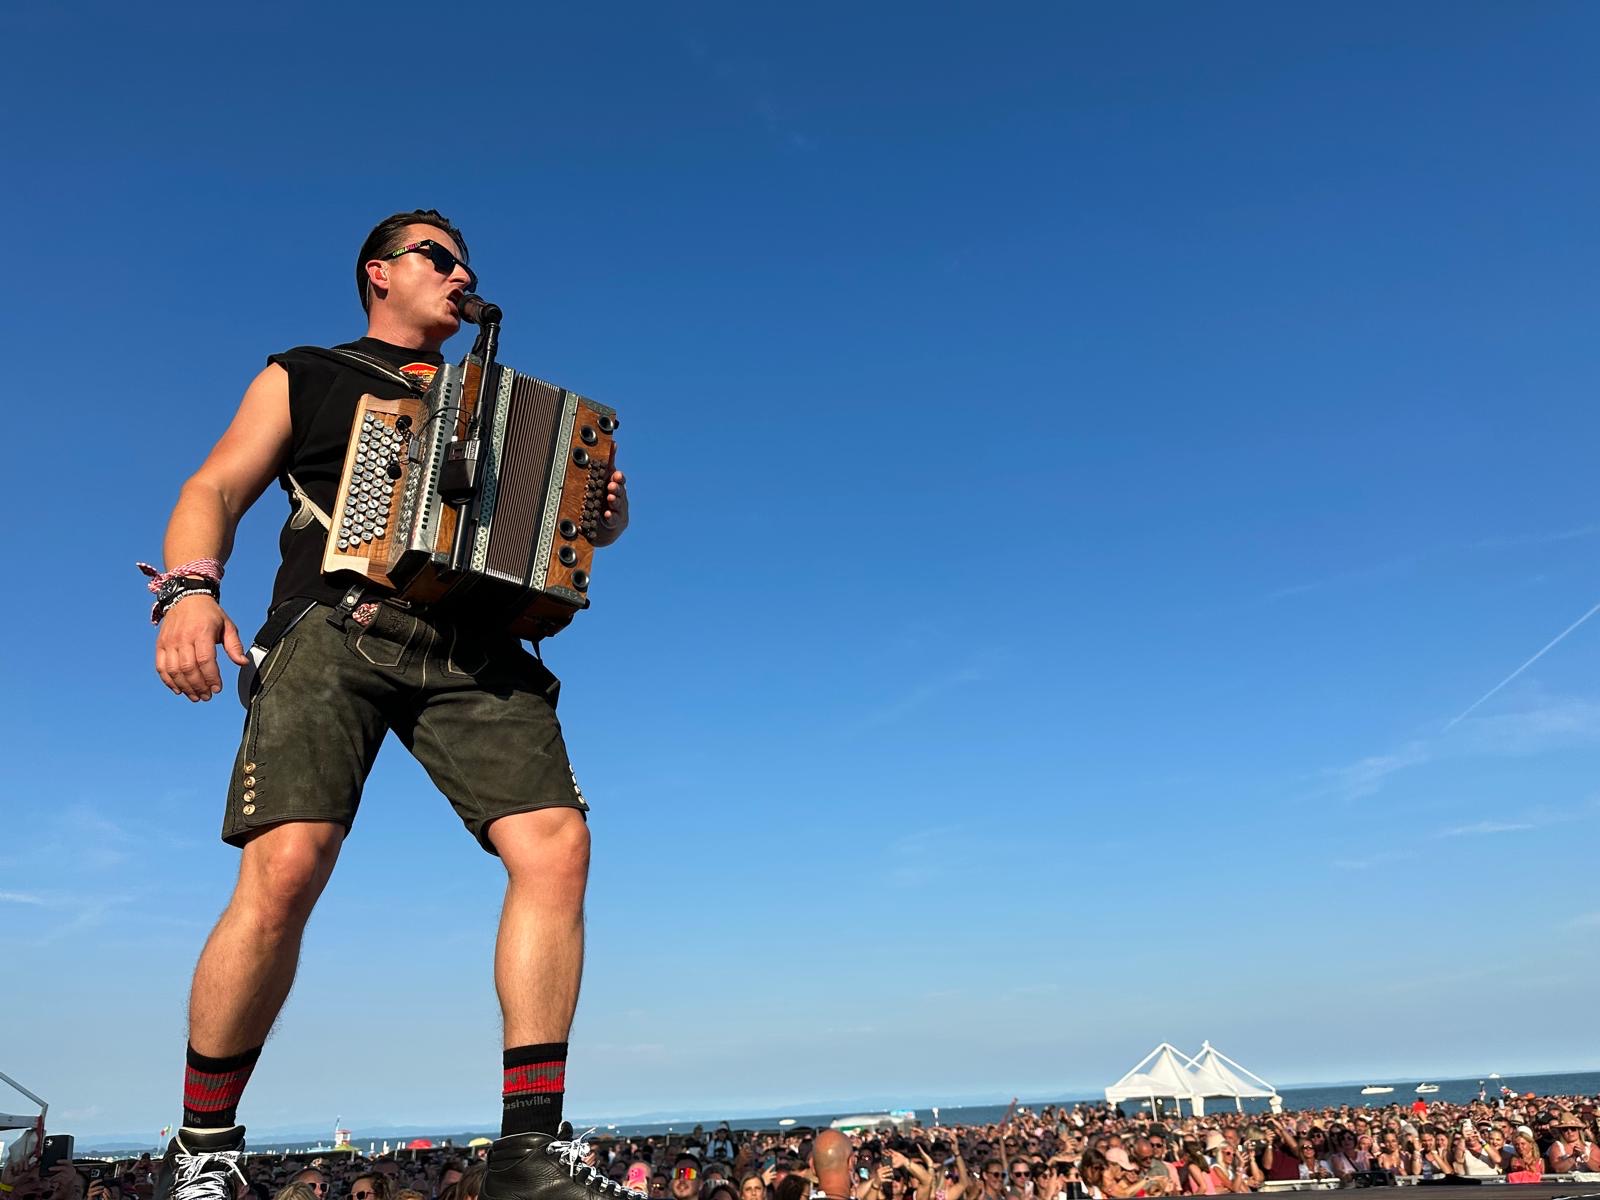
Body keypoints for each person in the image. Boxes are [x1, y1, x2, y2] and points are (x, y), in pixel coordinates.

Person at [147, 210, 632, 1200]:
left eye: (467, 264)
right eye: (439, 259)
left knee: (557, 844)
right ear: (380, 273)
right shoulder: (309, 372)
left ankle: (530, 1152)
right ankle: (201, 1152)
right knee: (288, 864)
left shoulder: (492, 407)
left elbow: (557, 533)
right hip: (335, 622)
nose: (462, 276)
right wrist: (189, 589)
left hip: (473, 641)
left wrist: (600, 517)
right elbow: (216, 483)